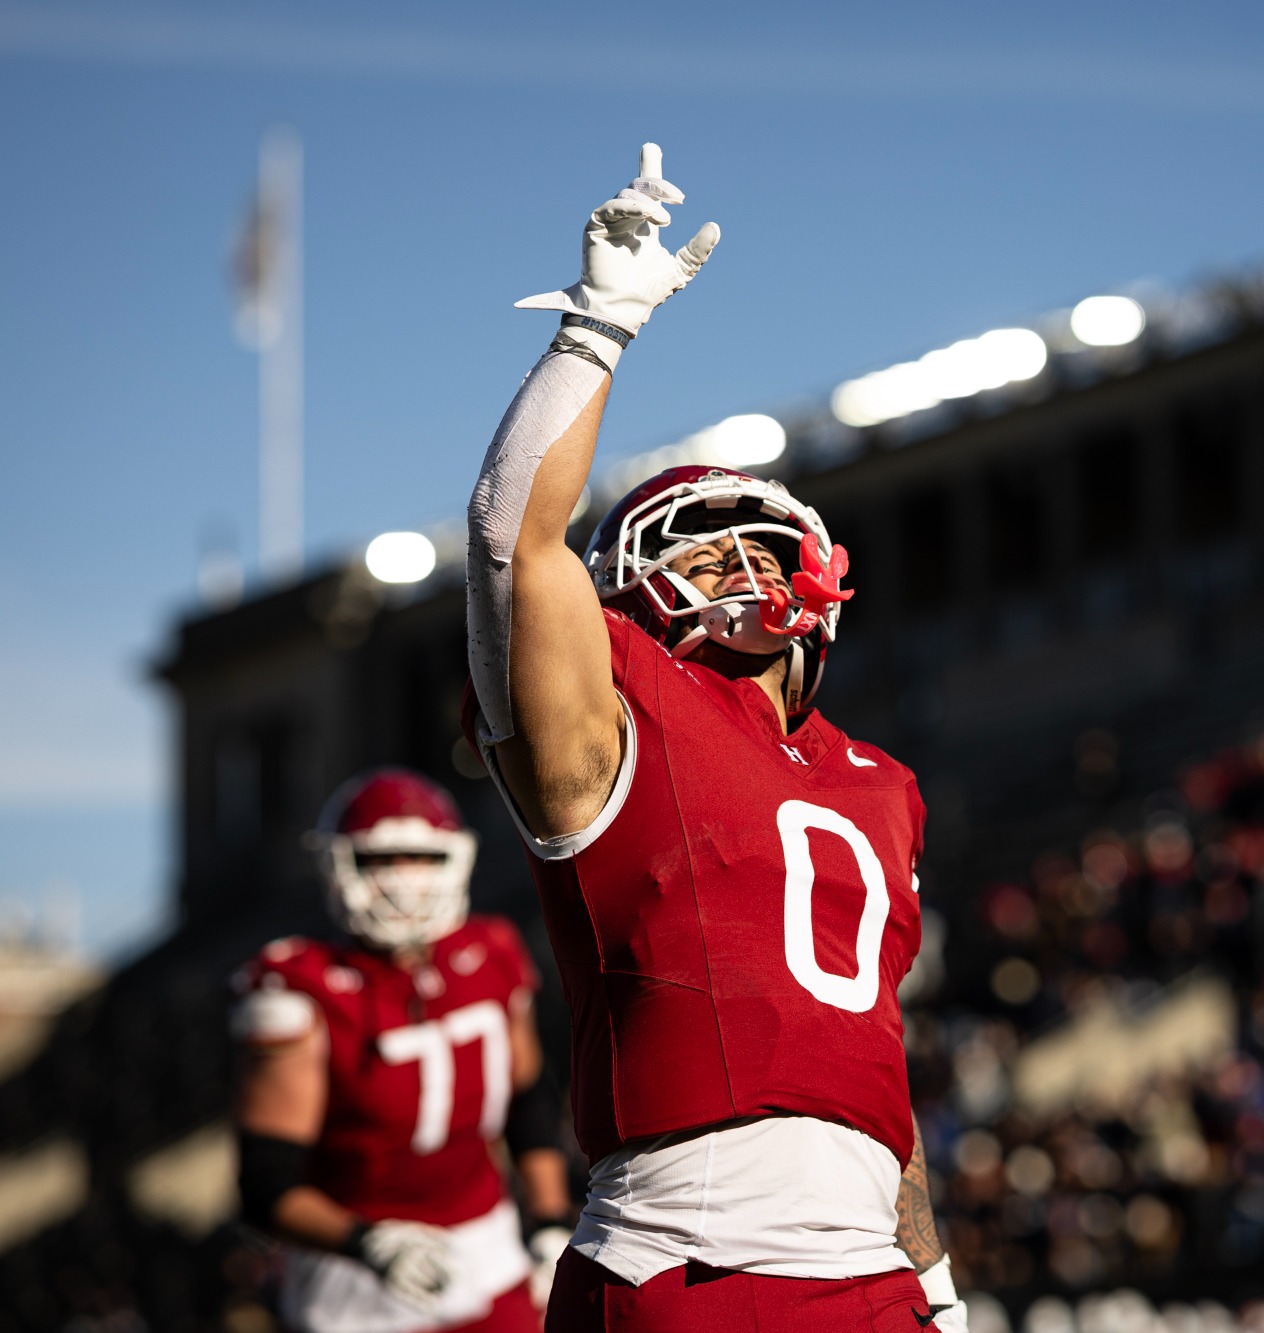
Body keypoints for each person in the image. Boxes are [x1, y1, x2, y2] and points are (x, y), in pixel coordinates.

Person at [460, 143, 968, 1332]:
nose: (740, 564)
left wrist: (934, 1279)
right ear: (631, 587)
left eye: (762, 544)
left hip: (872, 1270)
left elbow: (865, 1063)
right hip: (687, 1261)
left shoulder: (880, 783)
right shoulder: (616, 712)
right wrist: (597, 326)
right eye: (699, 545)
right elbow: (506, 541)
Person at [232, 768, 574, 1333]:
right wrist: (369, 1243)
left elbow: (527, 1104)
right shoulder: (297, 987)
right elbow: (266, 1185)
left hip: (490, 1255)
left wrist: (549, 1222)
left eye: (420, 859)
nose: (402, 882)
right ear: (338, 865)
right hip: (353, 1282)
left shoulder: (492, 953)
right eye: (378, 861)